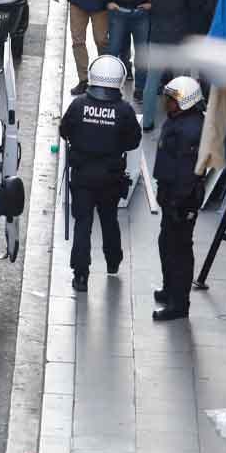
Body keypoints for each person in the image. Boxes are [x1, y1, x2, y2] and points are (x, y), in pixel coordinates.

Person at [58, 56, 142, 292]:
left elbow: (65, 131)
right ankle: (113, 262)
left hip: (82, 176)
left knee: (83, 224)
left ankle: (81, 275)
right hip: (111, 178)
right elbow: (134, 141)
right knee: (109, 220)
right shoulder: (124, 110)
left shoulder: (78, 104)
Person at [152, 76, 206, 321]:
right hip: (170, 196)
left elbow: (187, 171)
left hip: (182, 200)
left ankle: (179, 303)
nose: (167, 104)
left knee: (180, 250)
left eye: (172, 100)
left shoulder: (191, 130)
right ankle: (170, 289)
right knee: (166, 243)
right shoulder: (179, 121)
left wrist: (178, 202)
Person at [143, 0, 202, 131]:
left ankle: (147, 122)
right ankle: (178, 118)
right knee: (179, 81)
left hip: (157, 37)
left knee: (151, 82)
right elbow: (196, 7)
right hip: (178, 39)